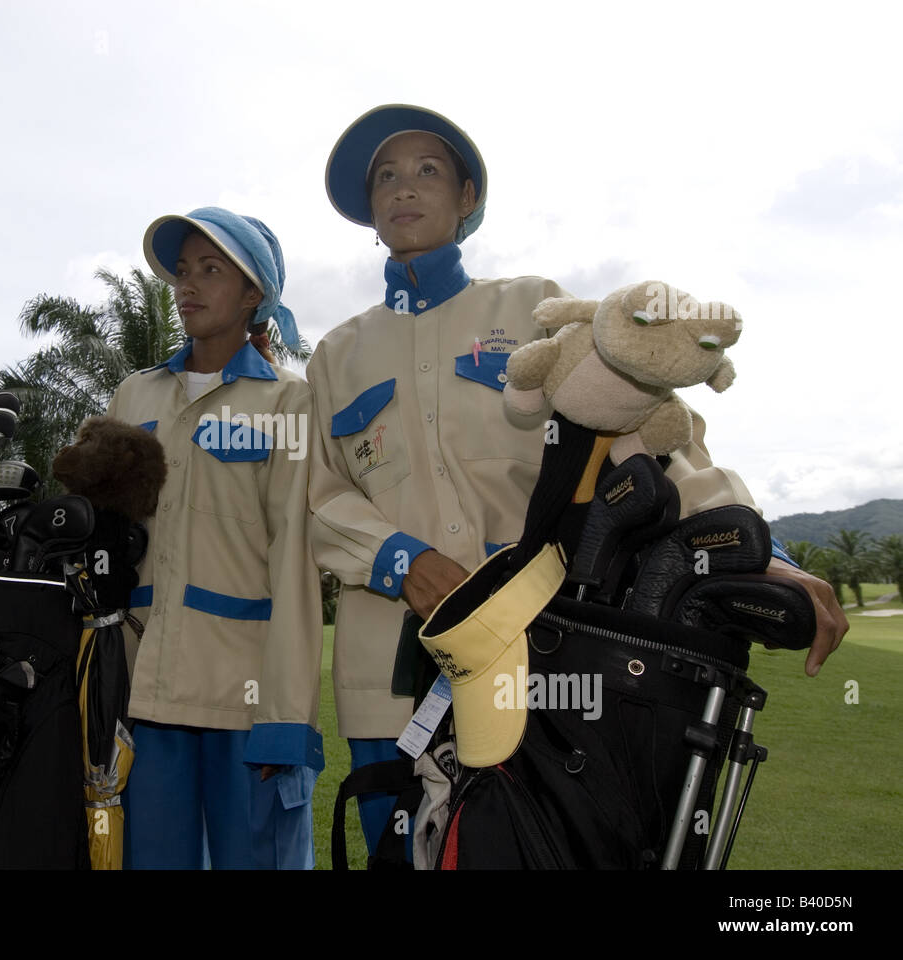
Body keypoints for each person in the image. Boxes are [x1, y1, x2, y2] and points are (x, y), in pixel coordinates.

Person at [306, 103, 849, 856]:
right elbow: (320, 496)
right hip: (390, 682)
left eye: (428, 170)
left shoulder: (533, 307)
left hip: (552, 656)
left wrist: (761, 549)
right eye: (386, 177)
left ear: (467, 198)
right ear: (369, 209)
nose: (405, 188)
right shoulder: (335, 354)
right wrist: (400, 558)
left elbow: (653, 431)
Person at [107, 206, 323, 869]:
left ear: (255, 293)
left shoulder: (289, 405)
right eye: (181, 271)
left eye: (212, 269)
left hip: (246, 700)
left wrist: (285, 718)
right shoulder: (134, 398)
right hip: (143, 691)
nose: (188, 286)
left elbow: (295, 564)